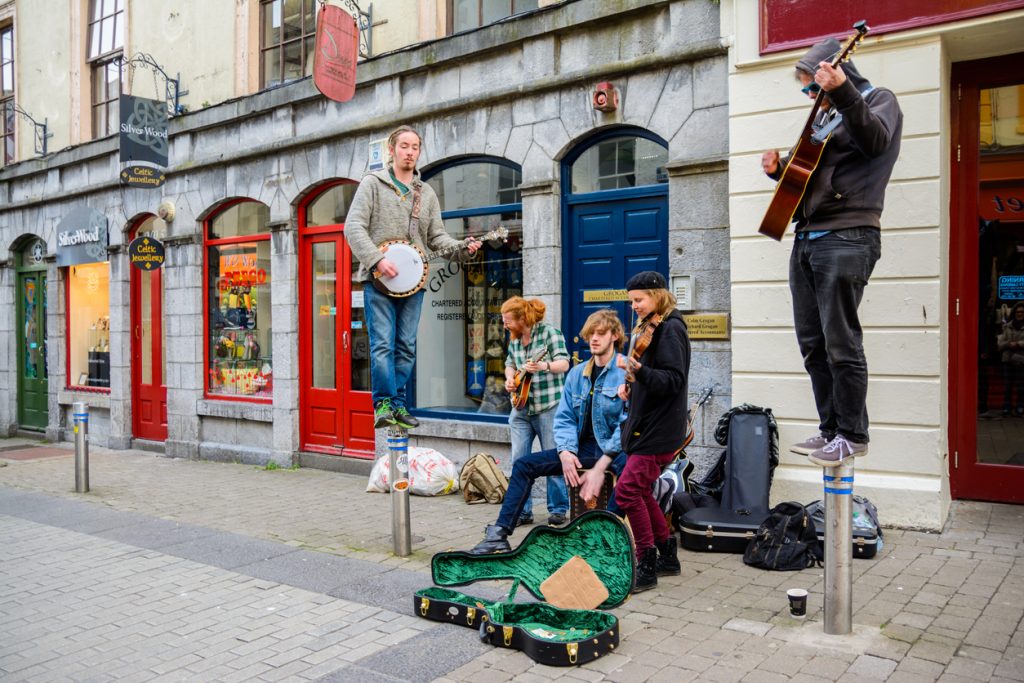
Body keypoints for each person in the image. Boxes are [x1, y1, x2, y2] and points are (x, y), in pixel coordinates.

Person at [761, 39, 903, 467]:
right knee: (813, 343)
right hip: (808, 237)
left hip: (848, 235)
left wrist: (842, 89)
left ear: (835, 73)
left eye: (811, 86)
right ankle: (830, 430)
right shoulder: (825, 116)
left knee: (841, 341)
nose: (809, 95)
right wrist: (778, 170)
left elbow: (875, 141)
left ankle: (852, 434)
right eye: (807, 89)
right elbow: (809, 174)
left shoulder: (878, 100)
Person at [344, 125, 481, 429]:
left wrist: (463, 249)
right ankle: (382, 405)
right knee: (382, 344)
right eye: (404, 146)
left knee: (406, 345)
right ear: (391, 150)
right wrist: (378, 261)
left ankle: (398, 403)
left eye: (415, 147)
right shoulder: (372, 185)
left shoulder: (426, 193)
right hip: (378, 281)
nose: (409, 152)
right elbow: (353, 228)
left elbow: (437, 238)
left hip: (413, 284)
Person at [471, 309, 627, 554]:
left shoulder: (626, 372)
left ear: (615, 336)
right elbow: (564, 417)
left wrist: (605, 460)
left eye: (601, 333)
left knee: (631, 472)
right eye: (590, 334)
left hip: (615, 449)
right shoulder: (577, 374)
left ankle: (604, 535)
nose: (594, 339)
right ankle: (499, 534)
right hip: (584, 449)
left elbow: (626, 424)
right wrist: (565, 451)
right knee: (524, 465)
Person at [580, 271, 690, 593]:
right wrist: (632, 387)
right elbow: (652, 381)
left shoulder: (671, 330)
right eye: (632, 301)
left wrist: (638, 370)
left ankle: (646, 562)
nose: (634, 306)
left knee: (627, 492)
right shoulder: (653, 326)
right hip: (648, 426)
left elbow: (672, 380)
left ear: (658, 295)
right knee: (639, 491)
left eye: (638, 300)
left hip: (658, 430)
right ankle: (667, 555)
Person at [502, 297, 571, 526]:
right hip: (520, 408)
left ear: (522, 319)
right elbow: (510, 363)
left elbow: (565, 363)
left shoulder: (550, 334)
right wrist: (510, 379)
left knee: (553, 458)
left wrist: (544, 366)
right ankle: (522, 511)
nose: (505, 326)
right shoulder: (514, 339)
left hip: (548, 406)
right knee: (519, 460)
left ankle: (558, 509)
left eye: (508, 321)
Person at [997, 301, 1024, 417]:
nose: (1020, 314)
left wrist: (1018, 344)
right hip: (1007, 360)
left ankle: (1020, 407)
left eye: (1022, 312)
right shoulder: (1006, 326)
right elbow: (1000, 343)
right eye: (1018, 312)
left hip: (1021, 360)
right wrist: (1009, 344)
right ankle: (1006, 408)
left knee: (1021, 386)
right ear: (1014, 313)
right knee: (1008, 385)